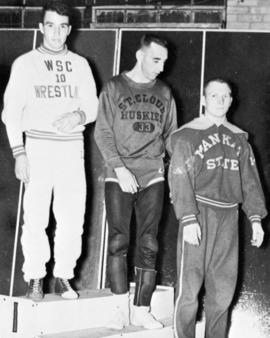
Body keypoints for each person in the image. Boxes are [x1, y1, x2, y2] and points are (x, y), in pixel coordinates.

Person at [2, 0, 98, 301]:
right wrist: (19, 152)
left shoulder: (81, 65)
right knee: (36, 217)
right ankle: (34, 277)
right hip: (38, 147)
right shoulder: (25, 63)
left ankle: (64, 276)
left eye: (62, 26)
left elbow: (92, 106)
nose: (56, 33)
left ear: (69, 30)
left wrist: (78, 116)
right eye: (51, 26)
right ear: (41, 27)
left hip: (71, 149)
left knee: (72, 217)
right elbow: (12, 113)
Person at [169, 78, 267, 338]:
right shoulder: (187, 135)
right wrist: (189, 219)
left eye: (225, 96)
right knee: (189, 288)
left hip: (229, 216)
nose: (220, 101)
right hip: (199, 212)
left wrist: (255, 219)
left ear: (231, 101)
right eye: (214, 96)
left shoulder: (239, 139)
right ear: (203, 100)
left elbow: (250, 180)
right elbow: (179, 178)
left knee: (223, 290)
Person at [94, 34, 177, 330]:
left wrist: (174, 174)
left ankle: (141, 308)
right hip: (119, 174)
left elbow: (171, 138)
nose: (161, 67)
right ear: (140, 56)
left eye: (165, 61)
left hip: (152, 173)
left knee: (149, 242)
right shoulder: (114, 87)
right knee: (119, 241)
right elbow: (102, 133)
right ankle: (119, 307)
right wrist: (119, 168)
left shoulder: (165, 92)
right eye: (156, 60)